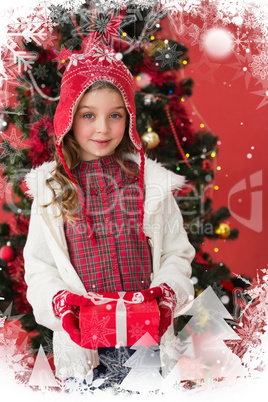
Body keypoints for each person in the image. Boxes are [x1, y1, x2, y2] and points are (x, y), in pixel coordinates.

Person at [23, 31, 195, 384]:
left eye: (115, 115)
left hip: (147, 340)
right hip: (85, 348)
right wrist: (62, 305)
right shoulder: (52, 191)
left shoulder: (150, 183)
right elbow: (39, 269)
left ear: (129, 117)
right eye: (88, 115)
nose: (103, 128)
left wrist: (166, 295)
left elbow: (177, 254)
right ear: (68, 118)